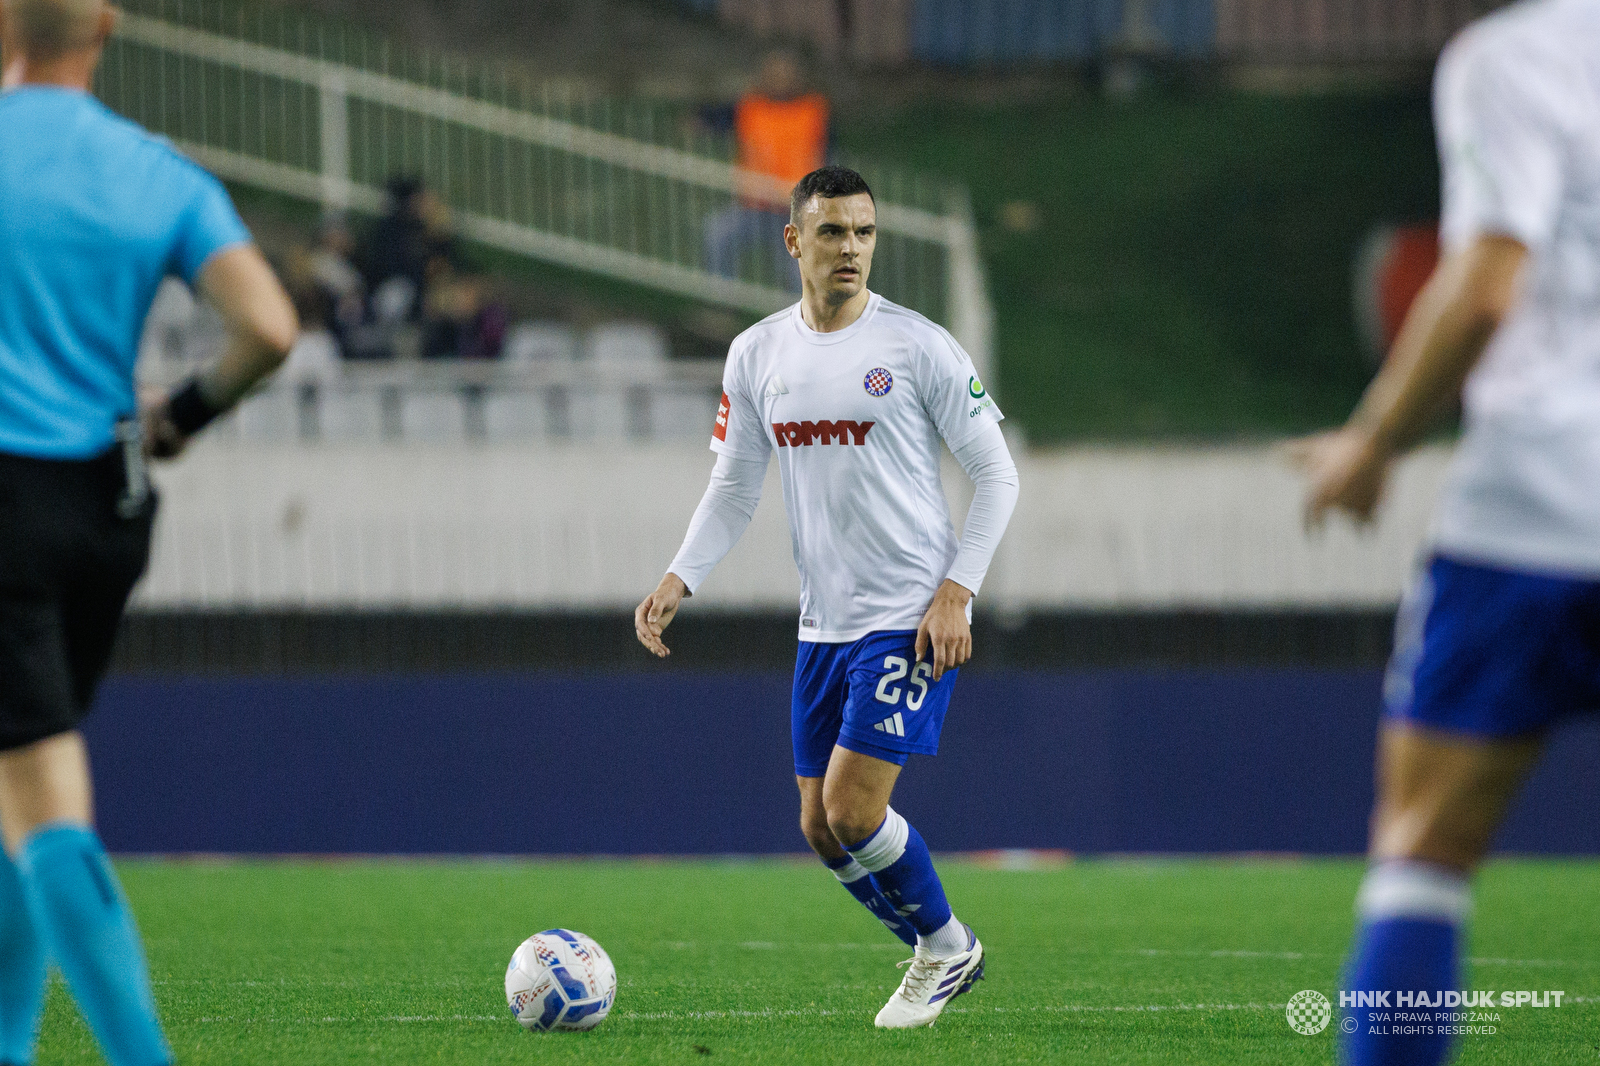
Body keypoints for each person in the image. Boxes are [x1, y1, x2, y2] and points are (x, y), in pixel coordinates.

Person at [636, 165, 1019, 1029]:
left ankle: (945, 947)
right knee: (818, 826)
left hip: (911, 614)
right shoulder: (757, 353)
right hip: (824, 625)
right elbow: (734, 485)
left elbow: (997, 473)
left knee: (853, 808)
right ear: (794, 240)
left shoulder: (917, 344)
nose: (851, 249)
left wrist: (958, 590)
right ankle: (934, 943)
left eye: (865, 233)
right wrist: (679, 575)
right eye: (834, 232)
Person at [1295, 2, 1599, 1064]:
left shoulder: (1517, 57)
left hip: (1537, 511)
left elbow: (1482, 289)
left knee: (1423, 850)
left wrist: (1372, 439)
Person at [0, 2, 298, 1063]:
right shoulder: (157, 171)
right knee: (18, 780)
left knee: (40, 794)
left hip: (6, 506)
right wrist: (184, 414)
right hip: (106, 507)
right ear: (107, 29)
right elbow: (267, 326)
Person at [702, 50, 830, 290]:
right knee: (717, 235)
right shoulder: (751, 107)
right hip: (753, 208)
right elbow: (715, 118)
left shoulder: (813, 111)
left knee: (800, 272)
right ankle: (720, 306)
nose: (780, 81)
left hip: (795, 214)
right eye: (775, 74)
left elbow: (824, 157)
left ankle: (800, 324)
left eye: (786, 75)